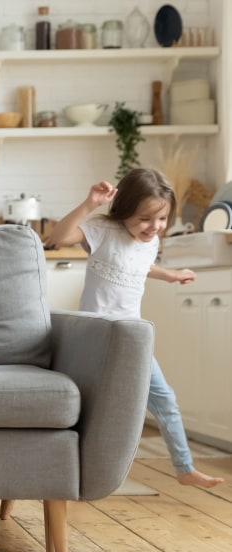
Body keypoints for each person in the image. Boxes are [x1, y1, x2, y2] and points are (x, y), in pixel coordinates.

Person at [44, 168, 224, 489]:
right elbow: (57, 238)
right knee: (89, 406)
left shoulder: (150, 242)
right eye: (144, 219)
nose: (153, 228)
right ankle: (67, 469)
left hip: (133, 337)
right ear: (124, 210)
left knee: (165, 400)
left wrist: (168, 274)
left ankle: (184, 468)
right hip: (96, 337)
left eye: (162, 220)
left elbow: (138, 265)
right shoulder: (102, 230)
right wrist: (89, 203)